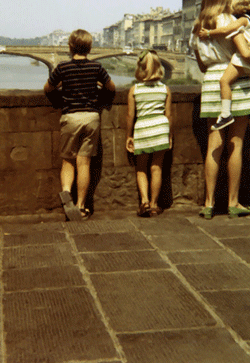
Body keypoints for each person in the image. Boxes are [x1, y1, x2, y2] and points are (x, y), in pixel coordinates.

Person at [189, 0, 250, 219]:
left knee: (214, 145)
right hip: (236, 79)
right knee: (236, 144)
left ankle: (209, 203)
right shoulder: (229, 21)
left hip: (212, 82)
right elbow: (244, 51)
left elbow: (202, 66)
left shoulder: (196, 29)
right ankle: (234, 203)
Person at [44, 29, 115, 221]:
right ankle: (81, 206)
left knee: (68, 160)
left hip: (71, 117)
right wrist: (98, 90)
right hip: (91, 117)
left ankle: (66, 191)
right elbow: (111, 87)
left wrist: (62, 91)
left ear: (70, 46)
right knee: (84, 163)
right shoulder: (96, 67)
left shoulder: (63, 68)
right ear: (90, 48)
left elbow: (48, 88)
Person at [198, 0, 250, 130]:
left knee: (224, 81)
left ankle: (225, 114)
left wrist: (209, 34)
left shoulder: (243, 20)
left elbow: (226, 30)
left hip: (247, 56)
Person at [125, 50, 172, 217]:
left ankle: (144, 202)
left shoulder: (134, 89)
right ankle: (154, 204)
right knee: (156, 167)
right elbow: (168, 115)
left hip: (143, 129)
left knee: (141, 168)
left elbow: (130, 115)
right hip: (160, 128)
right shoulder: (165, 89)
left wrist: (129, 136)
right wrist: (169, 135)